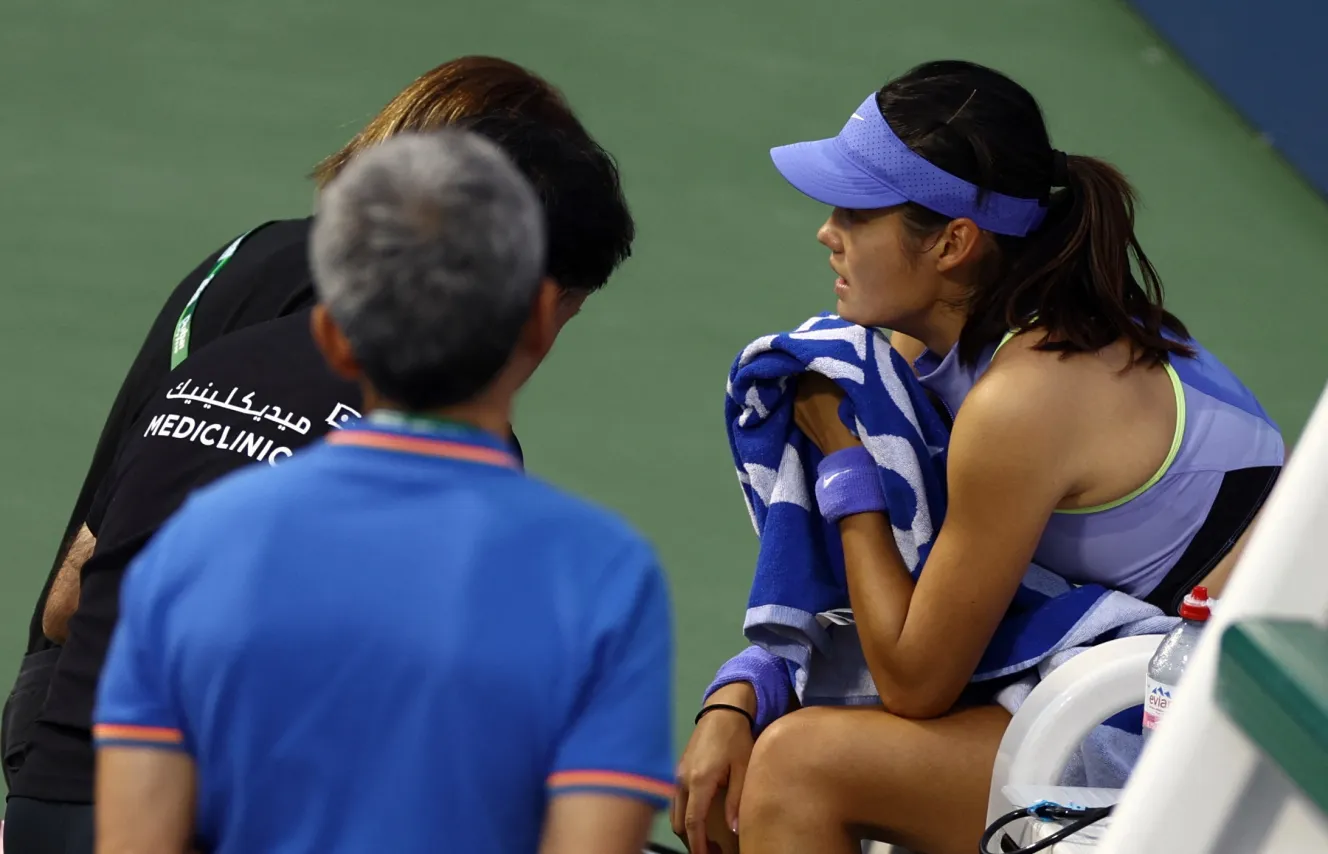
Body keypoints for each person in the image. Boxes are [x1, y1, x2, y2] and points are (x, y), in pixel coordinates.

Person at [672, 60, 1283, 854]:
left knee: (797, 769)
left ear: (954, 242)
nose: (828, 231)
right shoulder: (941, 346)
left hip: (1226, 739)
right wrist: (744, 688)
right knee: (769, 748)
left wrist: (844, 458)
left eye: (855, 212)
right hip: (1133, 683)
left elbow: (915, 681)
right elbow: (884, 599)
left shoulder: (1024, 398)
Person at [3, 89, 635, 854]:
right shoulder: (469, 453)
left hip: (50, 800)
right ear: (537, 307)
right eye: (568, 314)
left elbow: (68, 604)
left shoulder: (221, 360)